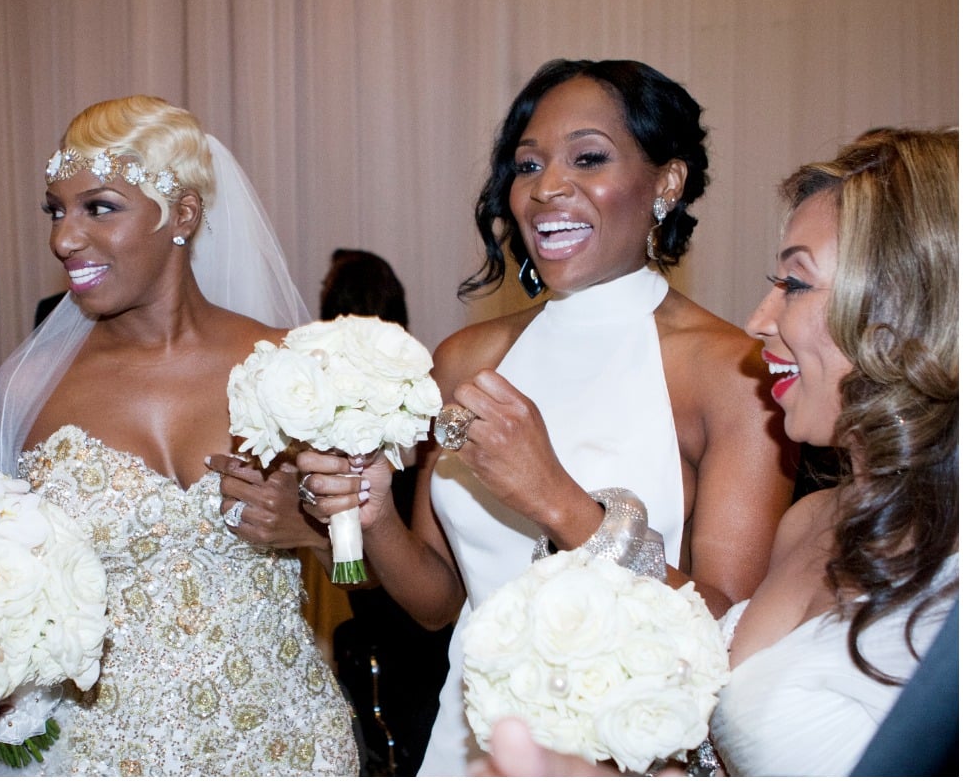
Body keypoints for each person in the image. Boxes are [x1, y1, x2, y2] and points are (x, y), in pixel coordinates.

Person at [294, 58, 796, 775]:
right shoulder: (467, 358)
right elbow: (437, 603)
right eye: (527, 166)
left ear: (668, 182)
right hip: (465, 744)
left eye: (587, 158)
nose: (545, 189)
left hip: (624, 752)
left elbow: (733, 637)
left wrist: (557, 499)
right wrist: (374, 518)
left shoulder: (733, 373)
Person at [469, 127, 959, 777]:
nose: (759, 320)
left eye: (796, 283)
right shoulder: (812, 523)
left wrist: (562, 502)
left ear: (903, 310)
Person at [0, 95, 358, 776]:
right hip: (93, 752)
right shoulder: (26, 391)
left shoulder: (290, 369)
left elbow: (380, 580)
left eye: (98, 207)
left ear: (181, 214)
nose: (64, 238)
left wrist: (310, 532)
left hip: (279, 741)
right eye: (55, 210)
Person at [317, 248, 453, 775]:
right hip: (414, 580)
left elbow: (356, 575)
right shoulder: (421, 381)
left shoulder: (331, 395)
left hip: (397, 572)